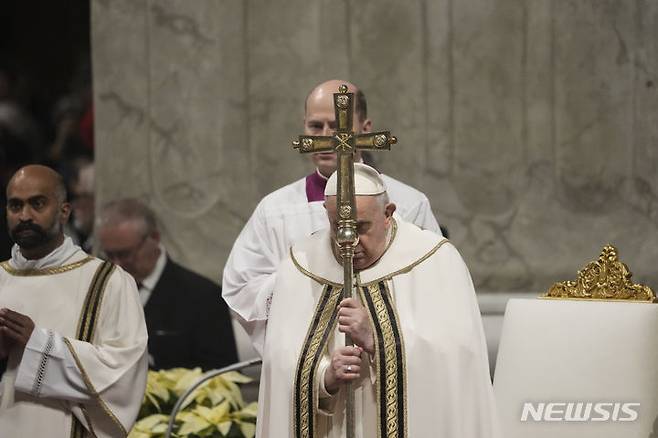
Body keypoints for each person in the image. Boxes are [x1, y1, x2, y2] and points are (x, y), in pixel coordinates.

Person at [256, 163, 499, 438]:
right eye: (339, 227)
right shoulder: (300, 264)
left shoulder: (436, 261)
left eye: (361, 227)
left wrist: (376, 339)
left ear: (388, 213)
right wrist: (325, 376)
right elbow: (279, 363)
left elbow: (455, 361)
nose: (349, 241)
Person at [223, 79, 442, 355]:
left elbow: (434, 287)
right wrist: (300, 281)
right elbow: (240, 287)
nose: (326, 137)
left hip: (383, 356)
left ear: (365, 128)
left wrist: (377, 329)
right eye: (315, 126)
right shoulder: (275, 210)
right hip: (308, 362)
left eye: (338, 127)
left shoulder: (408, 204)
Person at [0, 165, 148, 437]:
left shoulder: (108, 281)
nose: (24, 216)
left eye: (38, 204)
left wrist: (38, 345)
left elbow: (125, 373)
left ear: (64, 211)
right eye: (15, 206)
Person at [98, 198, 238, 371]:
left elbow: (225, 376)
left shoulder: (203, 297)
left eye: (125, 254)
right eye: (109, 255)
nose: (117, 264)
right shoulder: (100, 291)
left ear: (154, 238)